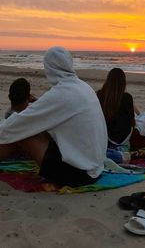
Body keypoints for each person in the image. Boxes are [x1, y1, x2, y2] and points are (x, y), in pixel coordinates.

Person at [0, 46, 108, 187]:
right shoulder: (83, 87)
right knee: (31, 127)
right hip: (95, 167)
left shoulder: (61, 93)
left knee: (19, 131)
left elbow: (16, 124)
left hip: (78, 175)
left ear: (49, 68)